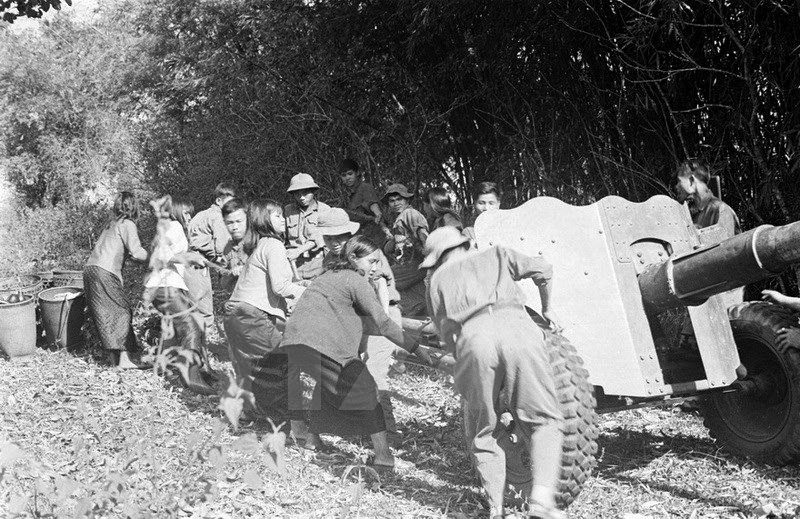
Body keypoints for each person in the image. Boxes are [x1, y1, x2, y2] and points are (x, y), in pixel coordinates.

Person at [422, 226, 565, 519]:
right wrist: (548, 308)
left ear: (436, 259)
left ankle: (496, 509)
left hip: (474, 342)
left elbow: (444, 330)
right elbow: (544, 269)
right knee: (544, 420)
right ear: (466, 244)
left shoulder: (436, 280)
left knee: (485, 432)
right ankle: (541, 500)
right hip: (518, 330)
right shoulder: (497, 254)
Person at [281, 235, 432, 468]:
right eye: (371, 261)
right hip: (319, 344)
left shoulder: (327, 276)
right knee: (367, 391)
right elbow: (384, 323)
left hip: (292, 344)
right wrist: (417, 349)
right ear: (353, 258)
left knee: (329, 383)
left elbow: (355, 321)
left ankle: (311, 441)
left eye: (378, 261)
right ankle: (384, 456)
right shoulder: (354, 279)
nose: (375, 267)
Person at [317, 208, 404, 442]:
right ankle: (360, 426)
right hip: (355, 320)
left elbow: (381, 287)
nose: (334, 243)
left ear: (349, 234)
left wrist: (381, 323)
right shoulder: (330, 259)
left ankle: (388, 432)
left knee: (374, 373)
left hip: (381, 316)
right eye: (329, 238)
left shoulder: (366, 252)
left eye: (339, 237)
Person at [223, 199, 306, 424]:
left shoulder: (259, 245)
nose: (283, 219)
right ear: (264, 219)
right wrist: (311, 292)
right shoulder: (274, 245)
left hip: (235, 313)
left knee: (253, 366)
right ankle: (282, 421)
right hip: (250, 314)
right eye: (277, 215)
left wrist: (299, 286)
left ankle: (253, 411)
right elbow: (280, 287)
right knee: (281, 362)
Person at [145, 196, 216, 395]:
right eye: (186, 213)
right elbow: (162, 256)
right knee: (191, 326)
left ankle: (192, 368)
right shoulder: (173, 226)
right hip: (165, 286)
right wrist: (189, 257)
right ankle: (191, 379)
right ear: (176, 212)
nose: (189, 217)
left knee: (183, 325)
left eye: (190, 213)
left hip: (168, 285)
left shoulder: (171, 228)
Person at [83, 191, 149, 369]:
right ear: (134, 207)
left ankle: (114, 360)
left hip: (90, 270)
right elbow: (137, 252)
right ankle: (125, 360)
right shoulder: (127, 224)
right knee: (122, 311)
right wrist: (156, 258)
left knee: (105, 313)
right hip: (104, 271)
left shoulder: (110, 224)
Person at [186, 183, 237, 337]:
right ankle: (206, 342)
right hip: (197, 262)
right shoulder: (218, 217)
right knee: (204, 306)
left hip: (187, 260)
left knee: (192, 304)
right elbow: (223, 248)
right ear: (219, 201)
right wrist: (231, 270)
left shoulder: (201, 214)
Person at [383, 183, 429, 317]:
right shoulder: (401, 216)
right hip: (409, 263)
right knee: (414, 291)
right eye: (392, 201)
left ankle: (412, 308)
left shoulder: (410, 213)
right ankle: (420, 310)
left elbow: (423, 234)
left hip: (414, 262)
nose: (396, 203)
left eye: (399, 199)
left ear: (407, 200)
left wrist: (429, 257)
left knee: (383, 280)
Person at [673, 159, 741, 236]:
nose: (676, 187)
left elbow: (732, 243)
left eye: (679, 181)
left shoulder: (722, 212)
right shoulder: (689, 213)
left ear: (691, 181)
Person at [284, 173, 330, 280]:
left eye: (305, 193)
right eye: (297, 194)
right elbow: (282, 237)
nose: (301, 197)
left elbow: (319, 237)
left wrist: (298, 251)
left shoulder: (324, 210)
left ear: (313, 191)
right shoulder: (287, 211)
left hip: (317, 265)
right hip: (293, 265)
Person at [338, 158, 390, 250]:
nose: (347, 178)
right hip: (361, 237)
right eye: (344, 175)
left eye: (350, 174)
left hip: (375, 236)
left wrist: (377, 214)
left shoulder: (365, 188)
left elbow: (372, 203)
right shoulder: (347, 195)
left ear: (357, 173)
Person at [217, 197, 249, 292]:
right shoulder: (227, 248)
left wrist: (246, 269)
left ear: (248, 220)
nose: (235, 227)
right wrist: (231, 274)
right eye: (230, 223)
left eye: (239, 221)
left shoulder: (259, 243)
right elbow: (223, 283)